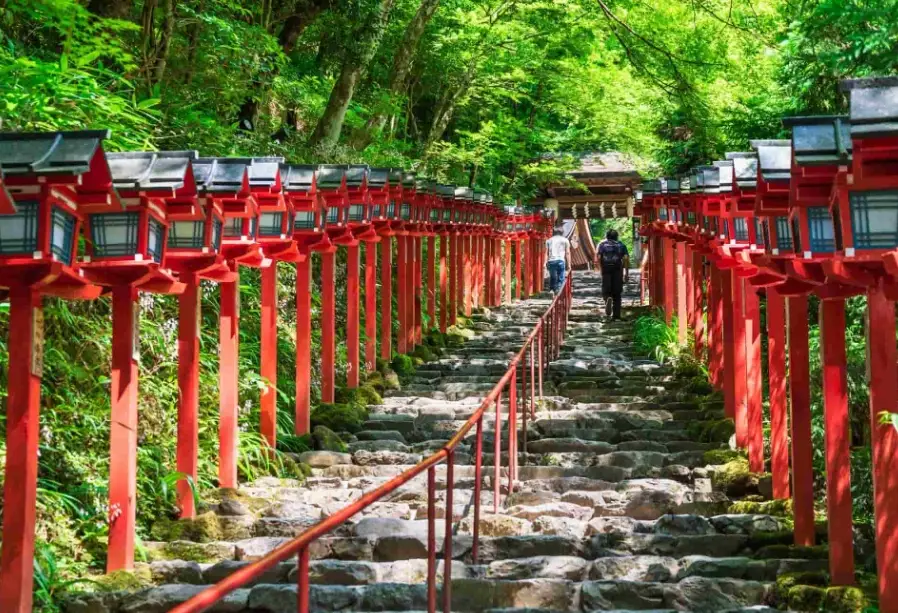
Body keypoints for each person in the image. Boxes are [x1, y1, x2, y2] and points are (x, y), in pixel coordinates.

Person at [596, 229, 630, 319]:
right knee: (617, 293)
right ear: (617, 237)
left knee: (606, 289)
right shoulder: (621, 245)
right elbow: (626, 258)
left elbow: (599, 257)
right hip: (617, 269)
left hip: (606, 269)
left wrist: (600, 269)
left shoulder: (602, 245)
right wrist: (626, 273)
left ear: (607, 237)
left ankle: (607, 298)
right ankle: (616, 315)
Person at [545, 226, 572, 294]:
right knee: (561, 277)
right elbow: (567, 253)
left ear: (553, 232)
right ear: (562, 232)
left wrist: (544, 263)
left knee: (552, 277)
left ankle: (552, 290)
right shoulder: (565, 240)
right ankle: (559, 292)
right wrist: (569, 265)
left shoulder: (549, 240)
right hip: (560, 260)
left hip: (551, 261)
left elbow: (546, 253)